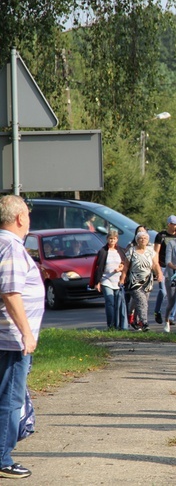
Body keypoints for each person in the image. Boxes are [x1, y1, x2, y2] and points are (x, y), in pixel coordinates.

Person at [0, 195, 43, 479]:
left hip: (5, 337)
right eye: (27, 213)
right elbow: (11, 292)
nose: (29, 218)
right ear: (20, 218)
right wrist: (26, 334)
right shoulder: (11, 246)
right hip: (11, 339)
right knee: (10, 399)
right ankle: (2, 457)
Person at [125, 231, 163, 331]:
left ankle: (131, 316)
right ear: (137, 240)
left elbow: (155, 264)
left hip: (147, 281)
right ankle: (144, 322)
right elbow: (126, 266)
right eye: (141, 238)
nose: (143, 240)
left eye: (145, 238)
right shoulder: (131, 250)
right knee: (142, 302)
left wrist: (159, 273)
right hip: (135, 281)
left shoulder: (151, 251)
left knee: (140, 301)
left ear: (148, 240)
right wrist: (122, 278)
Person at [92, 229, 129, 330]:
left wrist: (121, 268)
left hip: (118, 281)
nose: (112, 240)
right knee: (110, 301)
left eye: (114, 239)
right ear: (107, 239)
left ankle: (118, 325)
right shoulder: (103, 251)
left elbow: (125, 264)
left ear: (117, 239)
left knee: (118, 303)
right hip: (106, 280)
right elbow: (99, 267)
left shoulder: (121, 251)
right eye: (110, 238)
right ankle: (111, 325)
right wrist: (97, 282)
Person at [153, 215, 176, 325]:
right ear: (169, 224)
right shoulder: (161, 236)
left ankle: (171, 317)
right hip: (163, 266)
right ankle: (157, 311)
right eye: (174, 224)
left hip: (175, 267)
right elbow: (156, 253)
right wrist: (156, 268)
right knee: (163, 292)